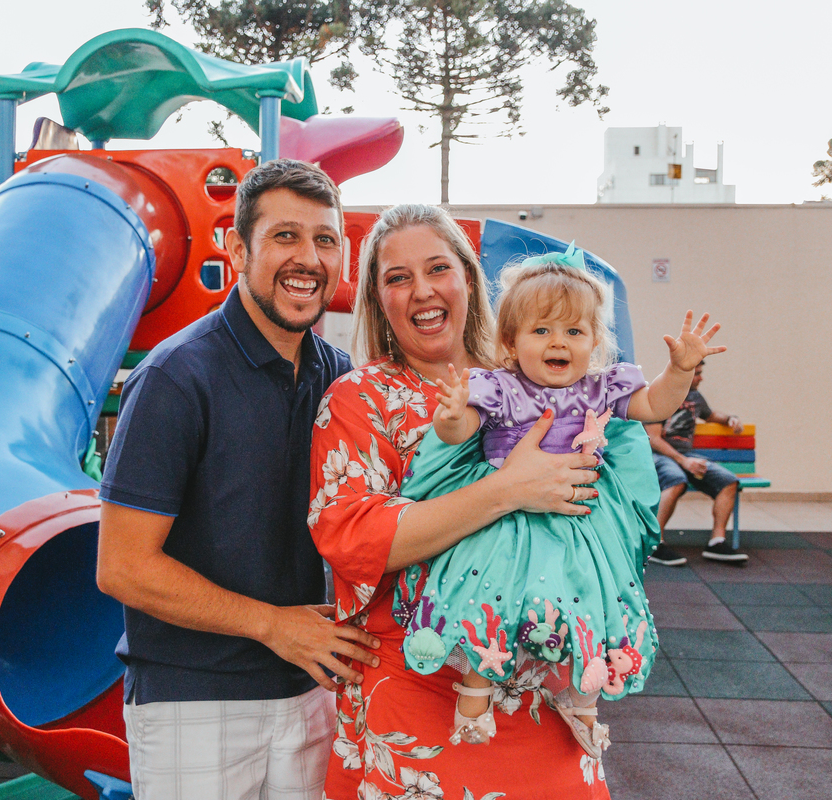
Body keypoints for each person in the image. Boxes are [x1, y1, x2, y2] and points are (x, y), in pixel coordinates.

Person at [308, 204, 697, 799]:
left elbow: (623, 499)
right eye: (397, 277)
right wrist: (507, 490)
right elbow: (352, 538)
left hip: (548, 690)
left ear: (469, 278)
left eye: (438, 268)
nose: (422, 290)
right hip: (419, 692)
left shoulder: (538, 372)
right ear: (377, 299)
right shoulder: (360, 398)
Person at [96, 159, 379, 800]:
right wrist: (275, 626)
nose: (308, 258)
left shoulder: (340, 378)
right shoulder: (175, 377)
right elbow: (122, 567)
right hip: (194, 700)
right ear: (238, 248)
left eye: (325, 239)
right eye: (285, 236)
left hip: (312, 690)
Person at [416, 246, 724, 756]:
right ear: (511, 341)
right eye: (541, 330)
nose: (558, 341)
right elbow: (460, 430)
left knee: (588, 597)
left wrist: (680, 370)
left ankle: (583, 697)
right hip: (507, 522)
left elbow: (653, 404)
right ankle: (474, 694)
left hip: (578, 519)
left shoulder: (599, 389)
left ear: (595, 341)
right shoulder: (500, 388)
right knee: (489, 594)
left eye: (574, 331)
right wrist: (450, 416)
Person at [646, 361, 749, 565]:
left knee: (728, 481)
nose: (701, 378)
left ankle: (717, 543)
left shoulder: (695, 397)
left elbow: (710, 415)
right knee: (675, 480)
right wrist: (684, 461)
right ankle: (655, 543)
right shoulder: (660, 395)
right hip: (658, 455)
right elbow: (654, 439)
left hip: (687, 455)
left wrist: (730, 418)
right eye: (697, 374)